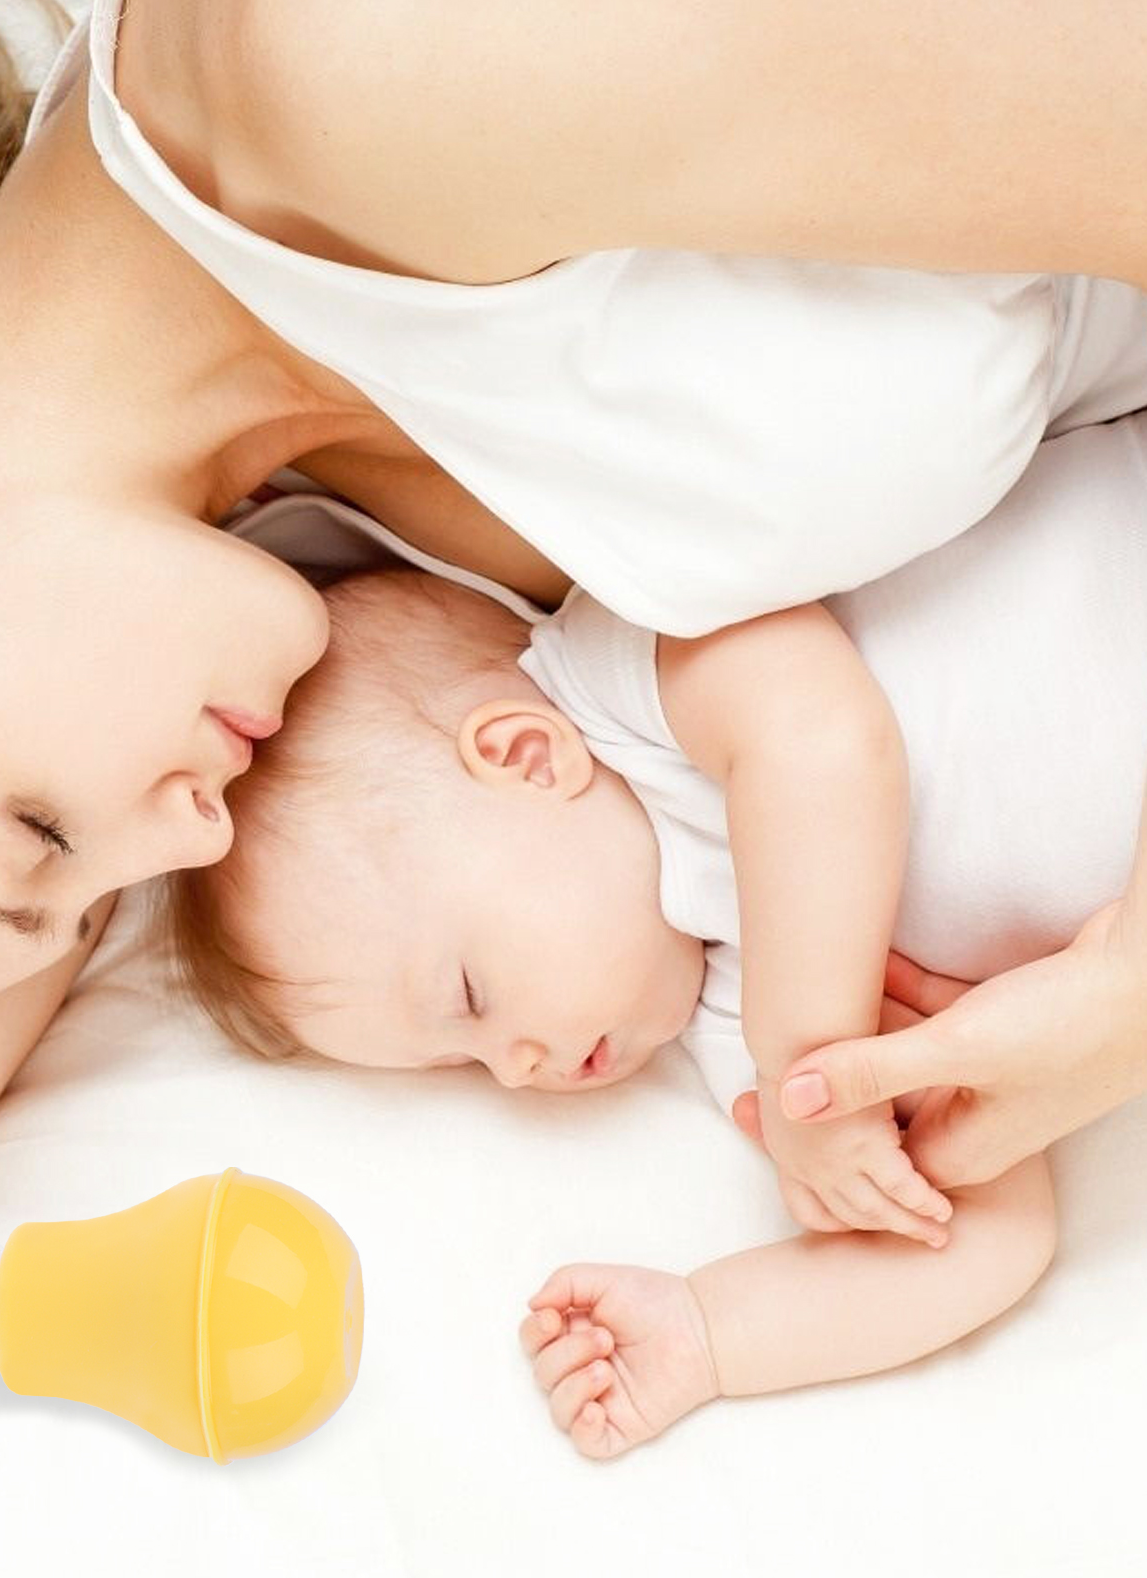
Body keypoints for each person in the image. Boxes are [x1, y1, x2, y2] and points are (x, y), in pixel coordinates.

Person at [0, 0, 1147, 1220]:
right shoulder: (255, 513)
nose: (197, 843)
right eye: (89, 914)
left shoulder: (354, 65)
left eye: (37, 835)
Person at [162, 410, 1147, 1455]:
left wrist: (804, 1054)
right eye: (464, 1063)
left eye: (470, 999)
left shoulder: (632, 671)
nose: (514, 1067)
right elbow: (985, 1227)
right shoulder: (727, 1018)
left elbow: (823, 741)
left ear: (526, 758)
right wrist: (710, 1330)